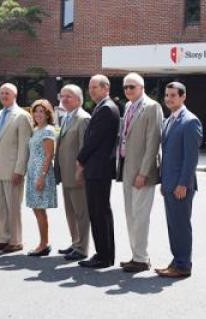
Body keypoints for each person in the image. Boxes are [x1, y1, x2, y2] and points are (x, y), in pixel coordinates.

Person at [117, 72, 163, 272]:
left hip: (142, 172)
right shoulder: (128, 106)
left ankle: (142, 258)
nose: (128, 90)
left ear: (142, 88)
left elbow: (153, 143)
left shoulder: (152, 107)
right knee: (130, 214)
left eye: (132, 87)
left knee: (141, 215)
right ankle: (136, 255)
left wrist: (144, 172)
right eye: (125, 87)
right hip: (127, 168)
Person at [156, 82, 202, 278]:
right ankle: (177, 261)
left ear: (183, 97)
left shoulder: (190, 121)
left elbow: (191, 158)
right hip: (169, 184)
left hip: (181, 186)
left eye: (173, 95)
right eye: (167, 95)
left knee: (181, 225)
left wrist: (183, 183)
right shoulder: (169, 121)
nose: (169, 99)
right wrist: (164, 181)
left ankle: (183, 265)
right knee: (173, 225)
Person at [76, 74, 120, 269]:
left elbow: (93, 140)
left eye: (95, 87)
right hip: (98, 168)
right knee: (100, 212)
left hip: (98, 168)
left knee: (99, 212)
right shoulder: (103, 107)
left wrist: (80, 159)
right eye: (90, 87)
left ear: (106, 88)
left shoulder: (106, 109)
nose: (91, 91)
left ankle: (103, 256)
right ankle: (105, 254)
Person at [0, 83, 33, 253]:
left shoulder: (22, 116)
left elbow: (24, 146)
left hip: (13, 170)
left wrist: (20, 170)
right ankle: (4, 238)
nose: (4, 95)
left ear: (15, 95)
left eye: (7, 93)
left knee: (13, 207)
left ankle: (16, 240)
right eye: (1, 93)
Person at [54, 84, 91, 261]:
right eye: (62, 96)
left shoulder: (83, 118)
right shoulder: (66, 117)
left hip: (76, 174)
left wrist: (80, 171)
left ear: (78, 99)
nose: (64, 99)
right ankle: (75, 242)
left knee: (81, 213)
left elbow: (85, 148)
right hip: (65, 174)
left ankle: (82, 248)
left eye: (68, 96)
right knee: (70, 212)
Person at [25, 99, 57, 257]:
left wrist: (41, 176)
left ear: (47, 114)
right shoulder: (36, 129)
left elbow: (49, 154)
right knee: (36, 209)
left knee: (40, 209)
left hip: (41, 172)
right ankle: (43, 242)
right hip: (32, 171)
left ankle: (44, 244)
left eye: (41, 111)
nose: (38, 114)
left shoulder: (48, 130)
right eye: (36, 111)